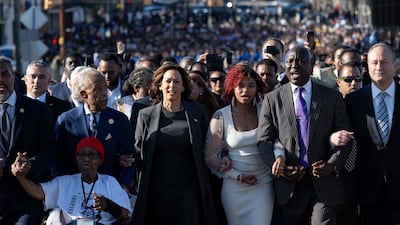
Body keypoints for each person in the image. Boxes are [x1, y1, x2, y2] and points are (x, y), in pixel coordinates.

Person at [257, 46, 352, 225]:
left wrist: (331, 165)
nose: (295, 65)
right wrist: (281, 169)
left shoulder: (332, 97)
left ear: (312, 64)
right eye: (290, 61)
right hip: (290, 185)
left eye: (301, 60)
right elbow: (264, 141)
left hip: (324, 184)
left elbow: (345, 138)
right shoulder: (272, 99)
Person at [131, 64, 217, 225]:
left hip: (189, 190)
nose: (172, 86)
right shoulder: (146, 115)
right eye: (168, 81)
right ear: (160, 85)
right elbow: (137, 150)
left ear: (183, 86)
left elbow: (209, 146)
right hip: (157, 189)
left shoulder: (198, 112)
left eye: (177, 82)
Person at [205, 64, 273, 225]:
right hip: (234, 187)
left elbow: (277, 141)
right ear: (231, 88)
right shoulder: (221, 116)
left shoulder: (265, 110)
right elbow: (209, 157)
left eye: (251, 86)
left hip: (263, 184)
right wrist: (237, 176)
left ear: (258, 88)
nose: (245, 90)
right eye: (240, 85)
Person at [11, 136, 131, 225]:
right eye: (82, 155)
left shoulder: (109, 182)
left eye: (92, 155)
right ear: (77, 159)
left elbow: (125, 215)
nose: (86, 159)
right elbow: (38, 192)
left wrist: (108, 205)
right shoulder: (65, 182)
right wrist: (21, 177)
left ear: (100, 159)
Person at [54, 67, 135, 192]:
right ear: (83, 94)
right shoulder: (66, 120)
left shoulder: (119, 120)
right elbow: (56, 159)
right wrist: (64, 186)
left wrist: (122, 186)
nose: (104, 93)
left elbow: (129, 158)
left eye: (105, 88)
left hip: (109, 191)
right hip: (74, 190)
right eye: (98, 89)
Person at [345, 43, 400, 225]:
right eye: (374, 62)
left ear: (394, 65)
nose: (378, 67)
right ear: (367, 67)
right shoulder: (353, 101)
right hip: (368, 190)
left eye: (384, 62)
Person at [0, 56, 56, 225]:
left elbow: (50, 150)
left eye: (5, 74)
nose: (1, 80)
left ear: (14, 77)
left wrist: (30, 165)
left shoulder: (37, 109)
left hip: (27, 197)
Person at [23, 60, 72, 124]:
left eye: (41, 77)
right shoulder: (15, 105)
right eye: (33, 76)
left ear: (49, 81)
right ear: (25, 79)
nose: (37, 81)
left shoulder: (63, 107)